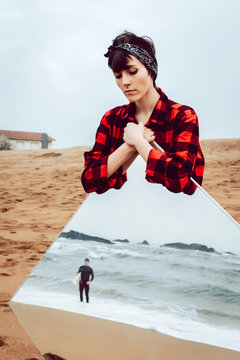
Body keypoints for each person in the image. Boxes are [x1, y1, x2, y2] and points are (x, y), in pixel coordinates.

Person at [81, 30, 205, 195]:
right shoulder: (111, 119)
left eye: (132, 72)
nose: (125, 82)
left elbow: (180, 180)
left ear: (150, 70)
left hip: (179, 216)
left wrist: (140, 143)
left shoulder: (182, 116)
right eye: (118, 75)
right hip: (121, 215)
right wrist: (129, 146)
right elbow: (89, 181)